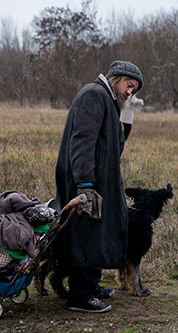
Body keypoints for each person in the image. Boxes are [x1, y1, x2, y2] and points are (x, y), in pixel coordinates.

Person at [55, 60, 143, 313]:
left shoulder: (108, 100)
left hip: (96, 180)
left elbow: (114, 145)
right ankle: (80, 296)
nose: (130, 92)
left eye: (134, 90)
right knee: (87, 233)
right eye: (129, 86)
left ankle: (90, 285)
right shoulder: (94, 94)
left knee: (96, 230)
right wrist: (84, 185)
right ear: (116, 79)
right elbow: (82, 140)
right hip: (85, 181)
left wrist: (127, 117)